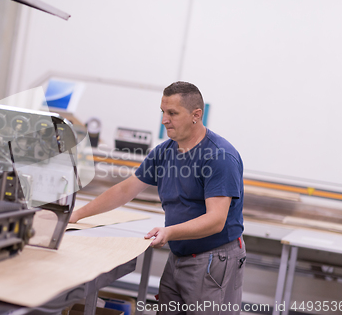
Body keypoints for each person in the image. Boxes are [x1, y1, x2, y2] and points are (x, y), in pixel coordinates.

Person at [69, 81, 245, 315]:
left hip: (214, 261)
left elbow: (216, 220)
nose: (164, 119)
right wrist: (77, 215)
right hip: (179, 255)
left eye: (172, 113)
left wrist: (169, 232)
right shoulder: (165, 151)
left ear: (196, 115)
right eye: (163, 112)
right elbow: (125, 190)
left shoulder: (218, 157)